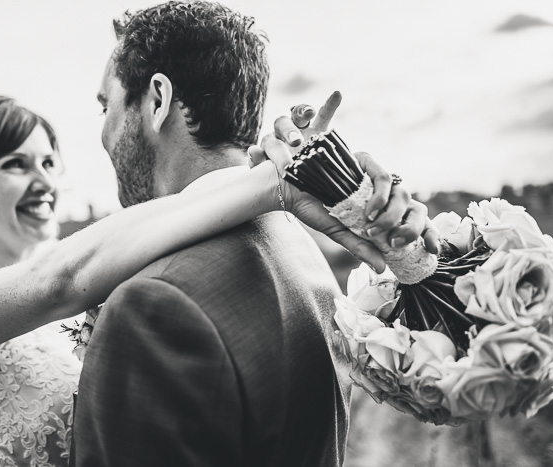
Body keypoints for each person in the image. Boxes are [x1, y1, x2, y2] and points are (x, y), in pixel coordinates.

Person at [0, 85, 428, 467]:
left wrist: (290, 172)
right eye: (15, 164)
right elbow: (58, 283)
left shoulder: (108, 255)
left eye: (49, 162)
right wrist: (275, 182)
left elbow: (168, 217)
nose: (44, 181)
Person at [72, 3, 436, 466]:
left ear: (158, 101)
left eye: (108, 106)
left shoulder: (155, 305)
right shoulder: (295, 242)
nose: (103, 131)